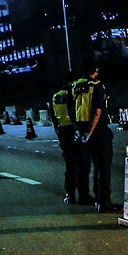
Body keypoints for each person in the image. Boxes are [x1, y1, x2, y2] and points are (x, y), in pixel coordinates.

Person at [72, 62, 117, 211]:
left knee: (85, 165)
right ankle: (103, 202)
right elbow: (97, 111)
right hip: (97, 132)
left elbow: (71, 111)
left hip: (81, 130)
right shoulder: (97, 86)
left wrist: (80, 131)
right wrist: (90, 132)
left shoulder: (75, 87)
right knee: (103, 167)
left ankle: (85, 196)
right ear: (96, 70)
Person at [49, 74, 92, 205]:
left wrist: (59, 133)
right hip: (75, 129)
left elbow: (53, 117)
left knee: (70, 165)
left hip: (63, 131)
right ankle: (83, 196)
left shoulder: (55, 97)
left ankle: (70, 195)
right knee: (82, 164)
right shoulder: (73, 94)